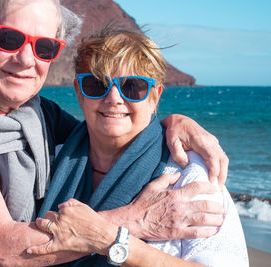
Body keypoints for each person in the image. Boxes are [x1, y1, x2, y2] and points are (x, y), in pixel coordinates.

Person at [0, 0, 228, 266]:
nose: (27, 60)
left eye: (44, 47)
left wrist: (173, 121)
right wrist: (133, 221)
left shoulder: (31, 112)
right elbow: (3, 249)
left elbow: (109, 130)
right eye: (10, 39)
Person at [27, 25, 249, 266]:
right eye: (96, 84)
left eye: (132, 87)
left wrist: (115, 241)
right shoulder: (50, 162)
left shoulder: (190, 176)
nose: (113, 98)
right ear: (79, 93)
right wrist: (129, 222)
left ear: (155, 96)